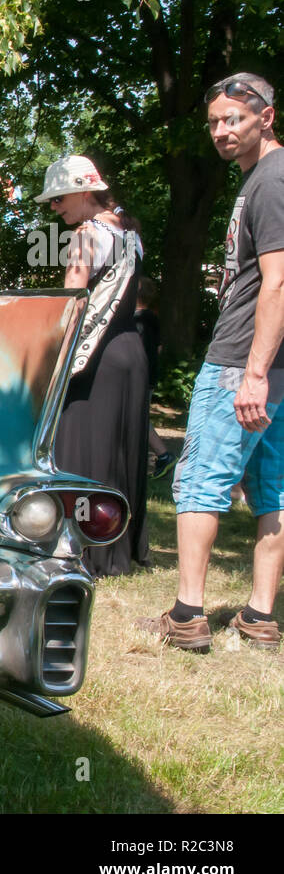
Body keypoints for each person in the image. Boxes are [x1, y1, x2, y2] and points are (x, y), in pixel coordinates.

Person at [138, 72, 284, 652]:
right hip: (275, 368)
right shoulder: (261, 180)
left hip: (242, 362)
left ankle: (187, 615)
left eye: (235, 120)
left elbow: (276, 284)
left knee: (200, 483)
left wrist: (252, 373)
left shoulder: (272, 182)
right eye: (215, 123)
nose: (223, 132)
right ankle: (258, 615)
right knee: (273, 491)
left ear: (266, 117)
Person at [36, 155, 149, 576]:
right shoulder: (127, 232)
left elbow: (72, 302)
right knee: (120, 447)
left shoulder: (85, 235)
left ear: (85, 191)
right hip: (130, 350)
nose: (54, 208)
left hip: (98, 356)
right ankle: (120, 547)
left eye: (59, 198)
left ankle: (86, 548)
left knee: (83, 445)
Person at [133, 276, 175, 478]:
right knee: (139, 417)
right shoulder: (153, 319)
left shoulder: (137, 321)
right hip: (148, 377)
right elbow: (158, 348)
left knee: (138, 418)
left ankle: (163, 455)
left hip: (138, 379)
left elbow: (134, 351)